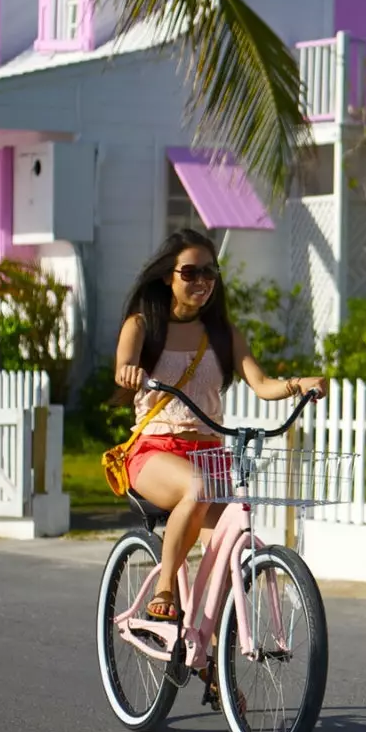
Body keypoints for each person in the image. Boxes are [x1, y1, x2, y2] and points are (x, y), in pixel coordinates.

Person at [114, 229, 325, 638]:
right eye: (190, 272)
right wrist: (128, 370)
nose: (202, 282)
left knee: (231, 549)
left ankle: (209, 661)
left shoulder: (224, 334)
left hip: (209, 454)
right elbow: (125, 361)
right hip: (154, 451)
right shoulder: (142, 325)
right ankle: (165, 588)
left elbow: (261, 384)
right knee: (195, 487)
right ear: (167, 276)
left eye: (210, 273)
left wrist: (299, 384)